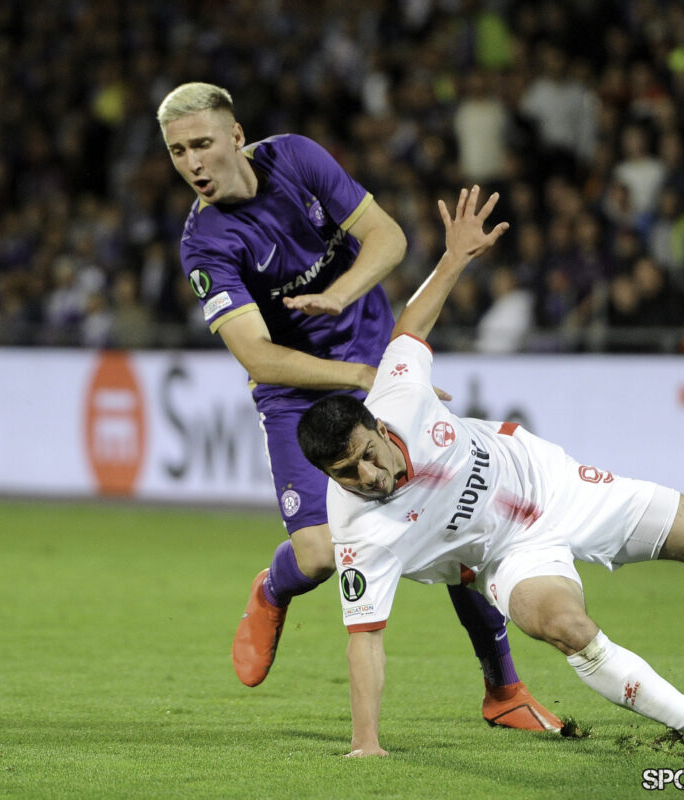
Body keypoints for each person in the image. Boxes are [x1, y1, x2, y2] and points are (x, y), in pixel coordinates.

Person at [156, 83, 560, 730]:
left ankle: (503, 690)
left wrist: (341, 298)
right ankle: (273, 587)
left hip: (372, 348)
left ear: (235, 137)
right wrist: (361, 374)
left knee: (458, 512)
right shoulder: (204, 244)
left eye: (202, 143)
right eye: (177, 152)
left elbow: (389, 238)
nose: (192, 163)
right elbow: (258, 358)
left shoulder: (295, 159)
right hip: (296, 387)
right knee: (319, 554)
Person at [297, 186, 684, 756]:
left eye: (366, 453)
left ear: (377, 426)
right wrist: (365, 742)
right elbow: (366, 640)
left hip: (555, 485)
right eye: (346, 472)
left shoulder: (398, 393)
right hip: (508, 557)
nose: (368, 474)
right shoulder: (357, 530)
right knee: (562, 626)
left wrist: (454, 256)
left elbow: (411, 327)